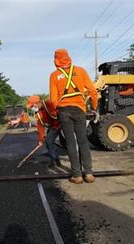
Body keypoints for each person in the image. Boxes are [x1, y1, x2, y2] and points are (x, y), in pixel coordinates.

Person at [50, 48, 98, 184]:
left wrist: (56, 114)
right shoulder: (81, 71)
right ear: (68, 57)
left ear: (56, 59)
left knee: (71, 143)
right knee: (83, 141)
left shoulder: (54, 75)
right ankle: (88, 174)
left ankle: (76, 175)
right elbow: (93, 92)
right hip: (79, 110)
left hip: (64, 111)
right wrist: (94, 108)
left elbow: (53, 100)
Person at [29, 97, 62, 167]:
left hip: (61, 124)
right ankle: (55, 160)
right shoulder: (38, 113)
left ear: (37, 103)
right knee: (48, 141)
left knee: (49, 141)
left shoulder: (49, 103)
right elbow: (40, 126)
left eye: (32, 106)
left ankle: (55, 159)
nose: (32, 108)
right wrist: (41, 139)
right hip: (53, 126)